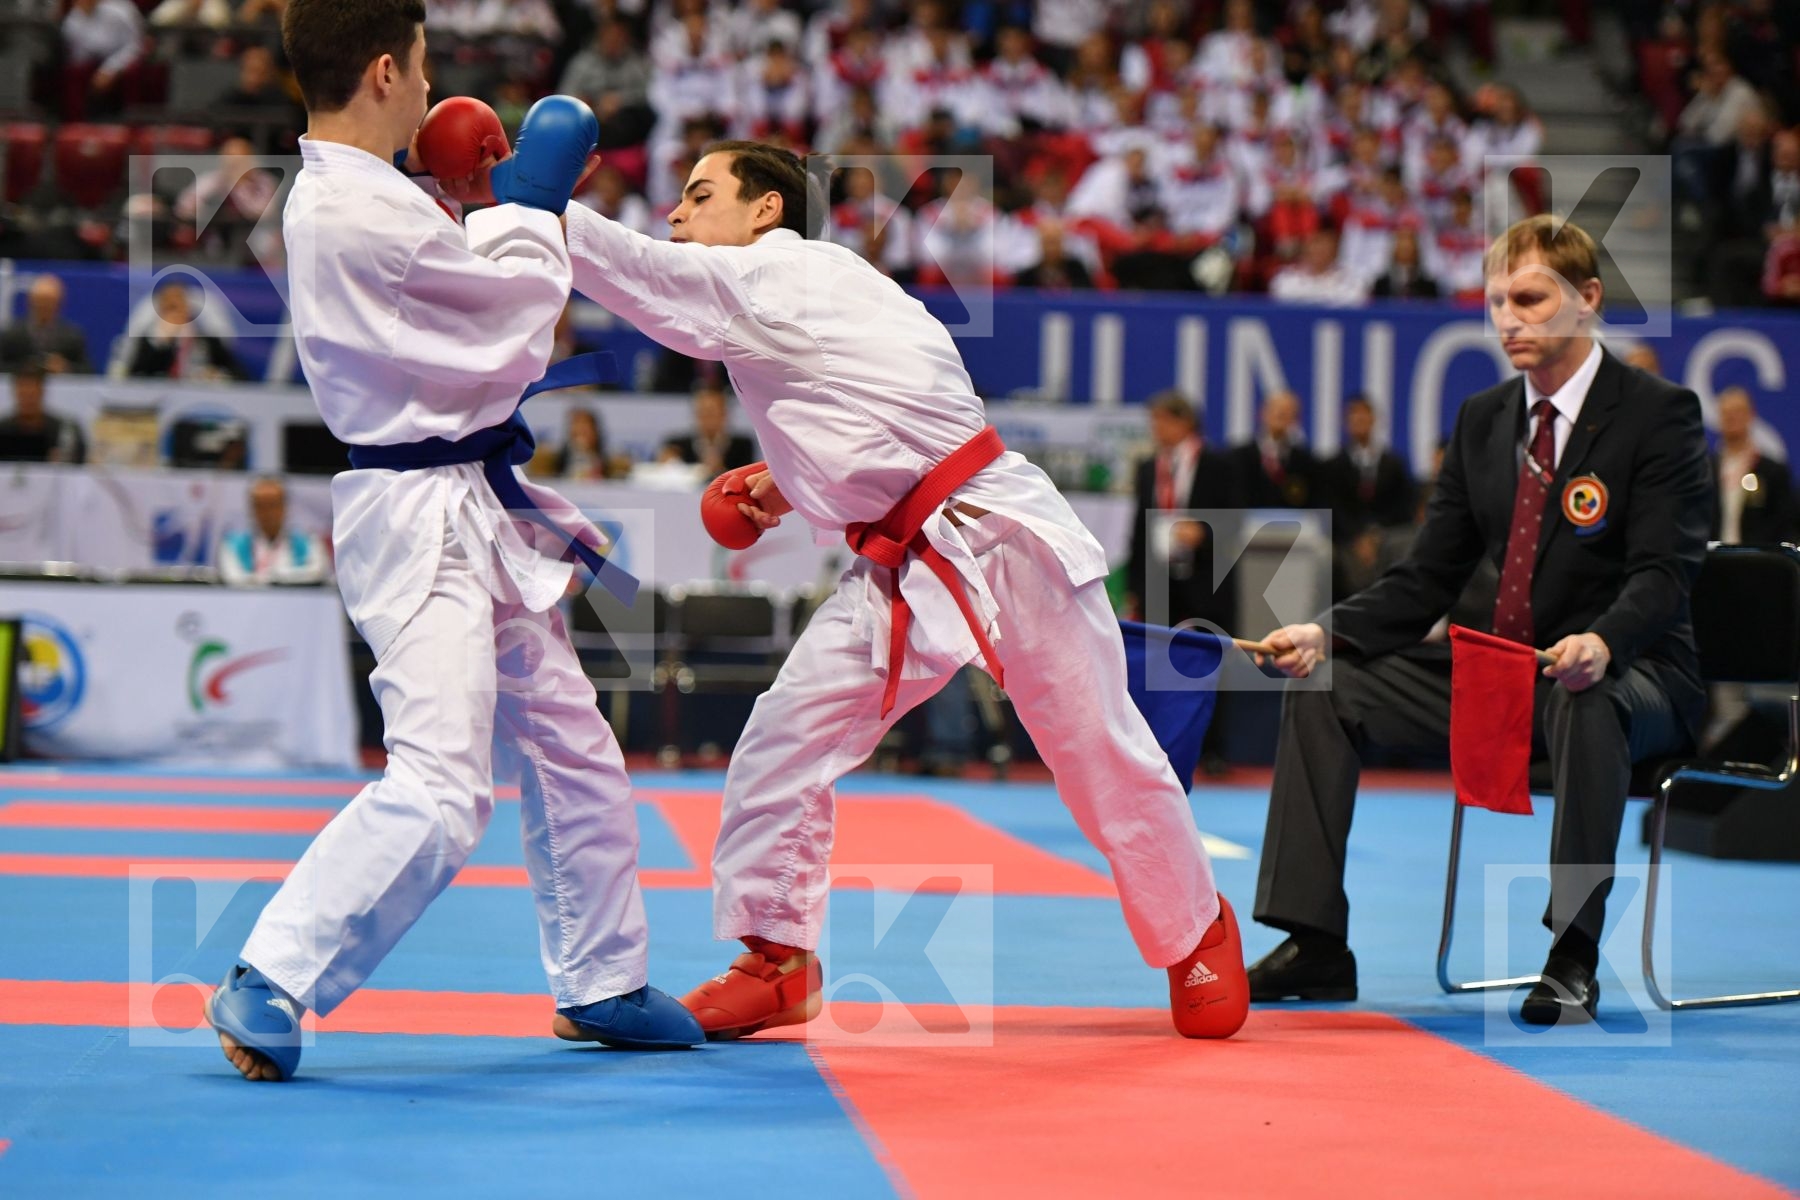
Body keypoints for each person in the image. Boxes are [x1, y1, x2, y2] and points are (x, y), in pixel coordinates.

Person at [558, 139, 1250, 1040]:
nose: (677, 216)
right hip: (897, 564)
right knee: (782, 738)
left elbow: (644, 277)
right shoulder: (824, 290)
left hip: (1000, 535)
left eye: (698, 196)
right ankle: (777, 959)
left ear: (767, 211)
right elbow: (874, 410)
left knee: (1097, 752)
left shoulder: (775, 275)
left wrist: (536, 208)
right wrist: (782, 479)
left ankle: (1197, 928)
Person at [203, 0, 700, 1084]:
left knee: (572, 741)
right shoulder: (347, 211)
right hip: (418, 516)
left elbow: (464, 311)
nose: (432, 92)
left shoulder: (377, 194)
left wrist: (476, 198)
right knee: (440, 782)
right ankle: (272, 974)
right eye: (424, 70)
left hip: (467, 500)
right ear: (385, 71)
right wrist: (523, 201)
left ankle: (600, 979)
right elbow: (512, 316)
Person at [1247, 216, 1709, 1026]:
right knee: (1330, 686)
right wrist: (1328, 631)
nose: (1507, 320)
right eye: (1496, 301)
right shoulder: (1484, 419)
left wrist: (1603, 642)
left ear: (1588, 299)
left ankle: (1572, 954)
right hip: (1507, 671)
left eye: (1529, 299)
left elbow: (1665, 574)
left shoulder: (1657, 413)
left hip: (1631, 677)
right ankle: (1316, 941)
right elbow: (1428, 577)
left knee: (1585, 696)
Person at [1710, 387, 1795, 546]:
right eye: (1726, 413)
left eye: (1738, 412)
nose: (1732, 418)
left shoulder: (1772, 472)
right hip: (1712, 560)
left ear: (1751, 415)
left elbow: (1784, 523)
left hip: (1757, 561)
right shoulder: (1704, 470)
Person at [216, 477, 330, 586]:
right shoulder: (233, 544)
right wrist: (272, 579)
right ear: (252, 508)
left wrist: (275, 578)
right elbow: (232, 577)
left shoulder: (308, 540)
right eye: (261, 506)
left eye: (272, 505)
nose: (268, 512)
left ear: (284, 507)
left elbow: (317, 572)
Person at [0, 275, 94, 374]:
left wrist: (66, 368)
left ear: (59, 305)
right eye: (40, 304)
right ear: (30, 302)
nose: (43, 309)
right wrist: (23, 369)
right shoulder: (12, 334)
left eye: (48, 305)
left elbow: (89, 371)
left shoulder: (73, 336)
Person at [658, 383, 757, 474]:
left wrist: (720, 469)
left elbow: (747, 479)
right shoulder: (677, 445)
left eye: (711, 412)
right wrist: (668, 463)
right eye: (702, 412)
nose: (706, 418)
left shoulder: (742, 446)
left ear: (724, 414)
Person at [0, 361, 87, 464]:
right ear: (15, 393)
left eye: (32, 395)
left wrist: (67, 458)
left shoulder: (62, 429)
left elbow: (80, 460)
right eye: (23, 395)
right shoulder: (2, 429)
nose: (28, 401)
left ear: (42, 392)